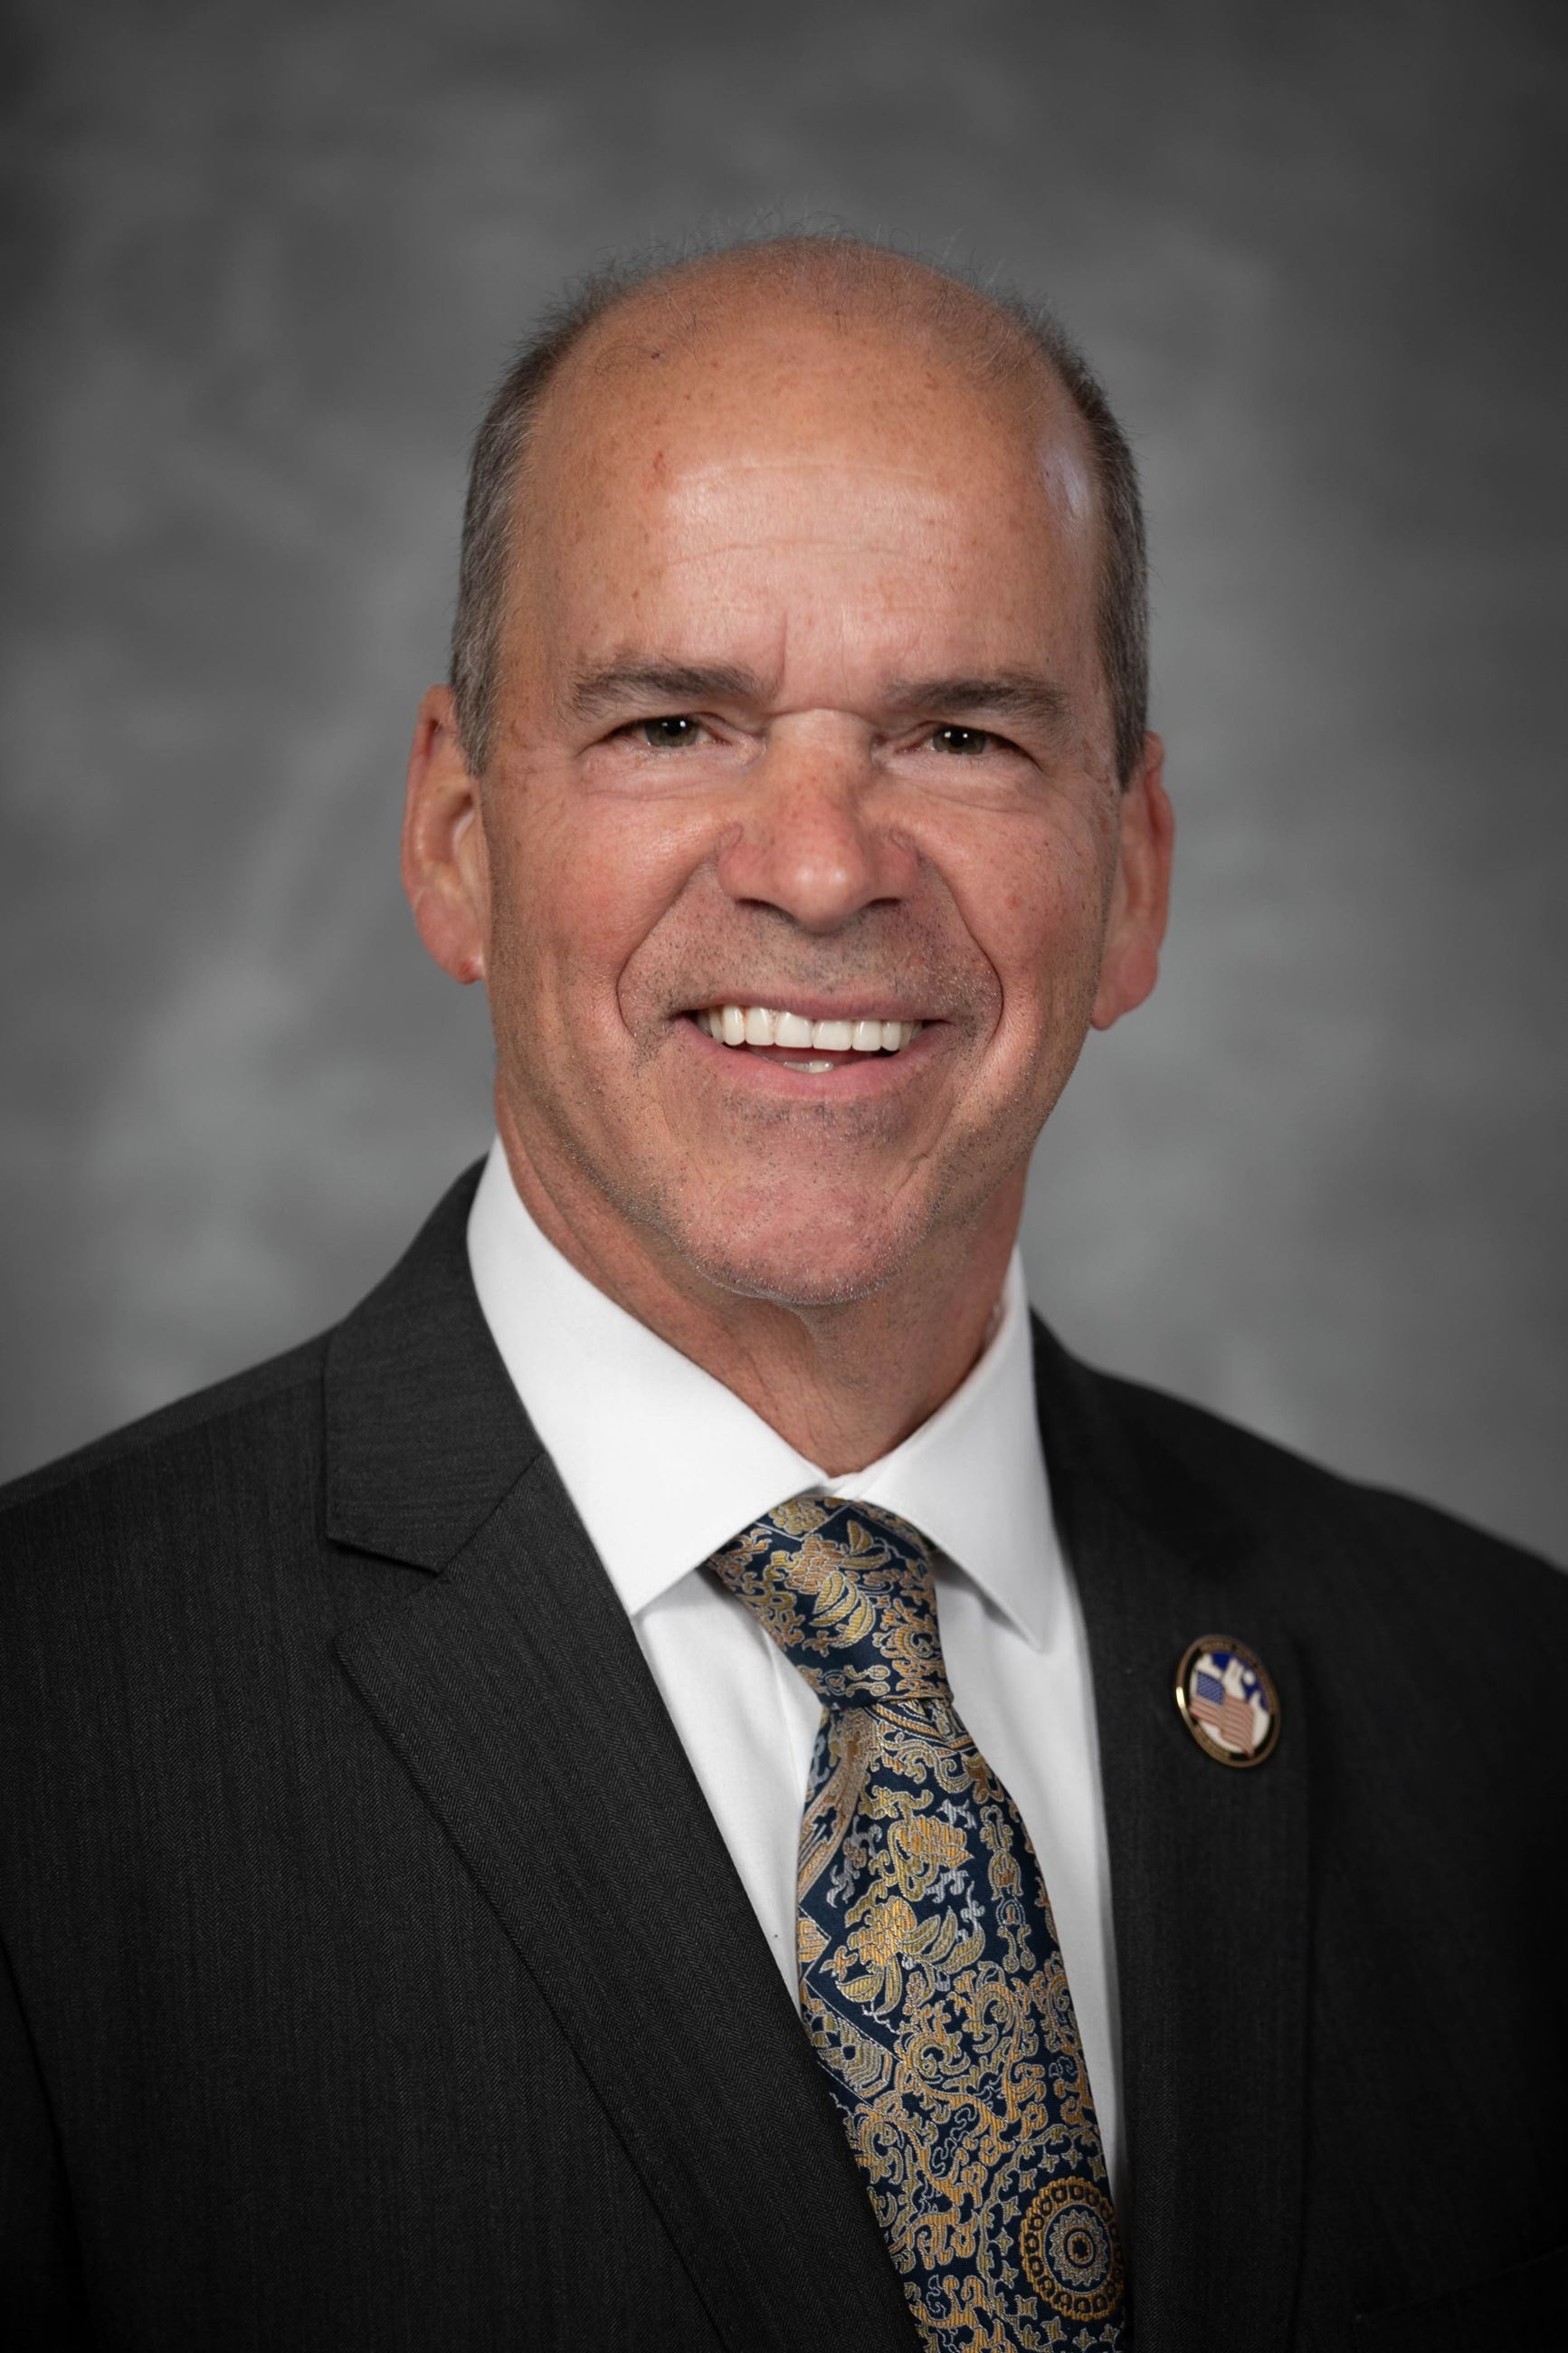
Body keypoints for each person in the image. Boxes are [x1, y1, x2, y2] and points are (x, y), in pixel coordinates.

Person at [1, 234, 1563, 2353]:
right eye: (670, 721)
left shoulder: (1506, 1718)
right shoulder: (52, 1728)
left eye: (958, 735)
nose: (821, 866)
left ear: (1137, 873)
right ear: (461, 836)